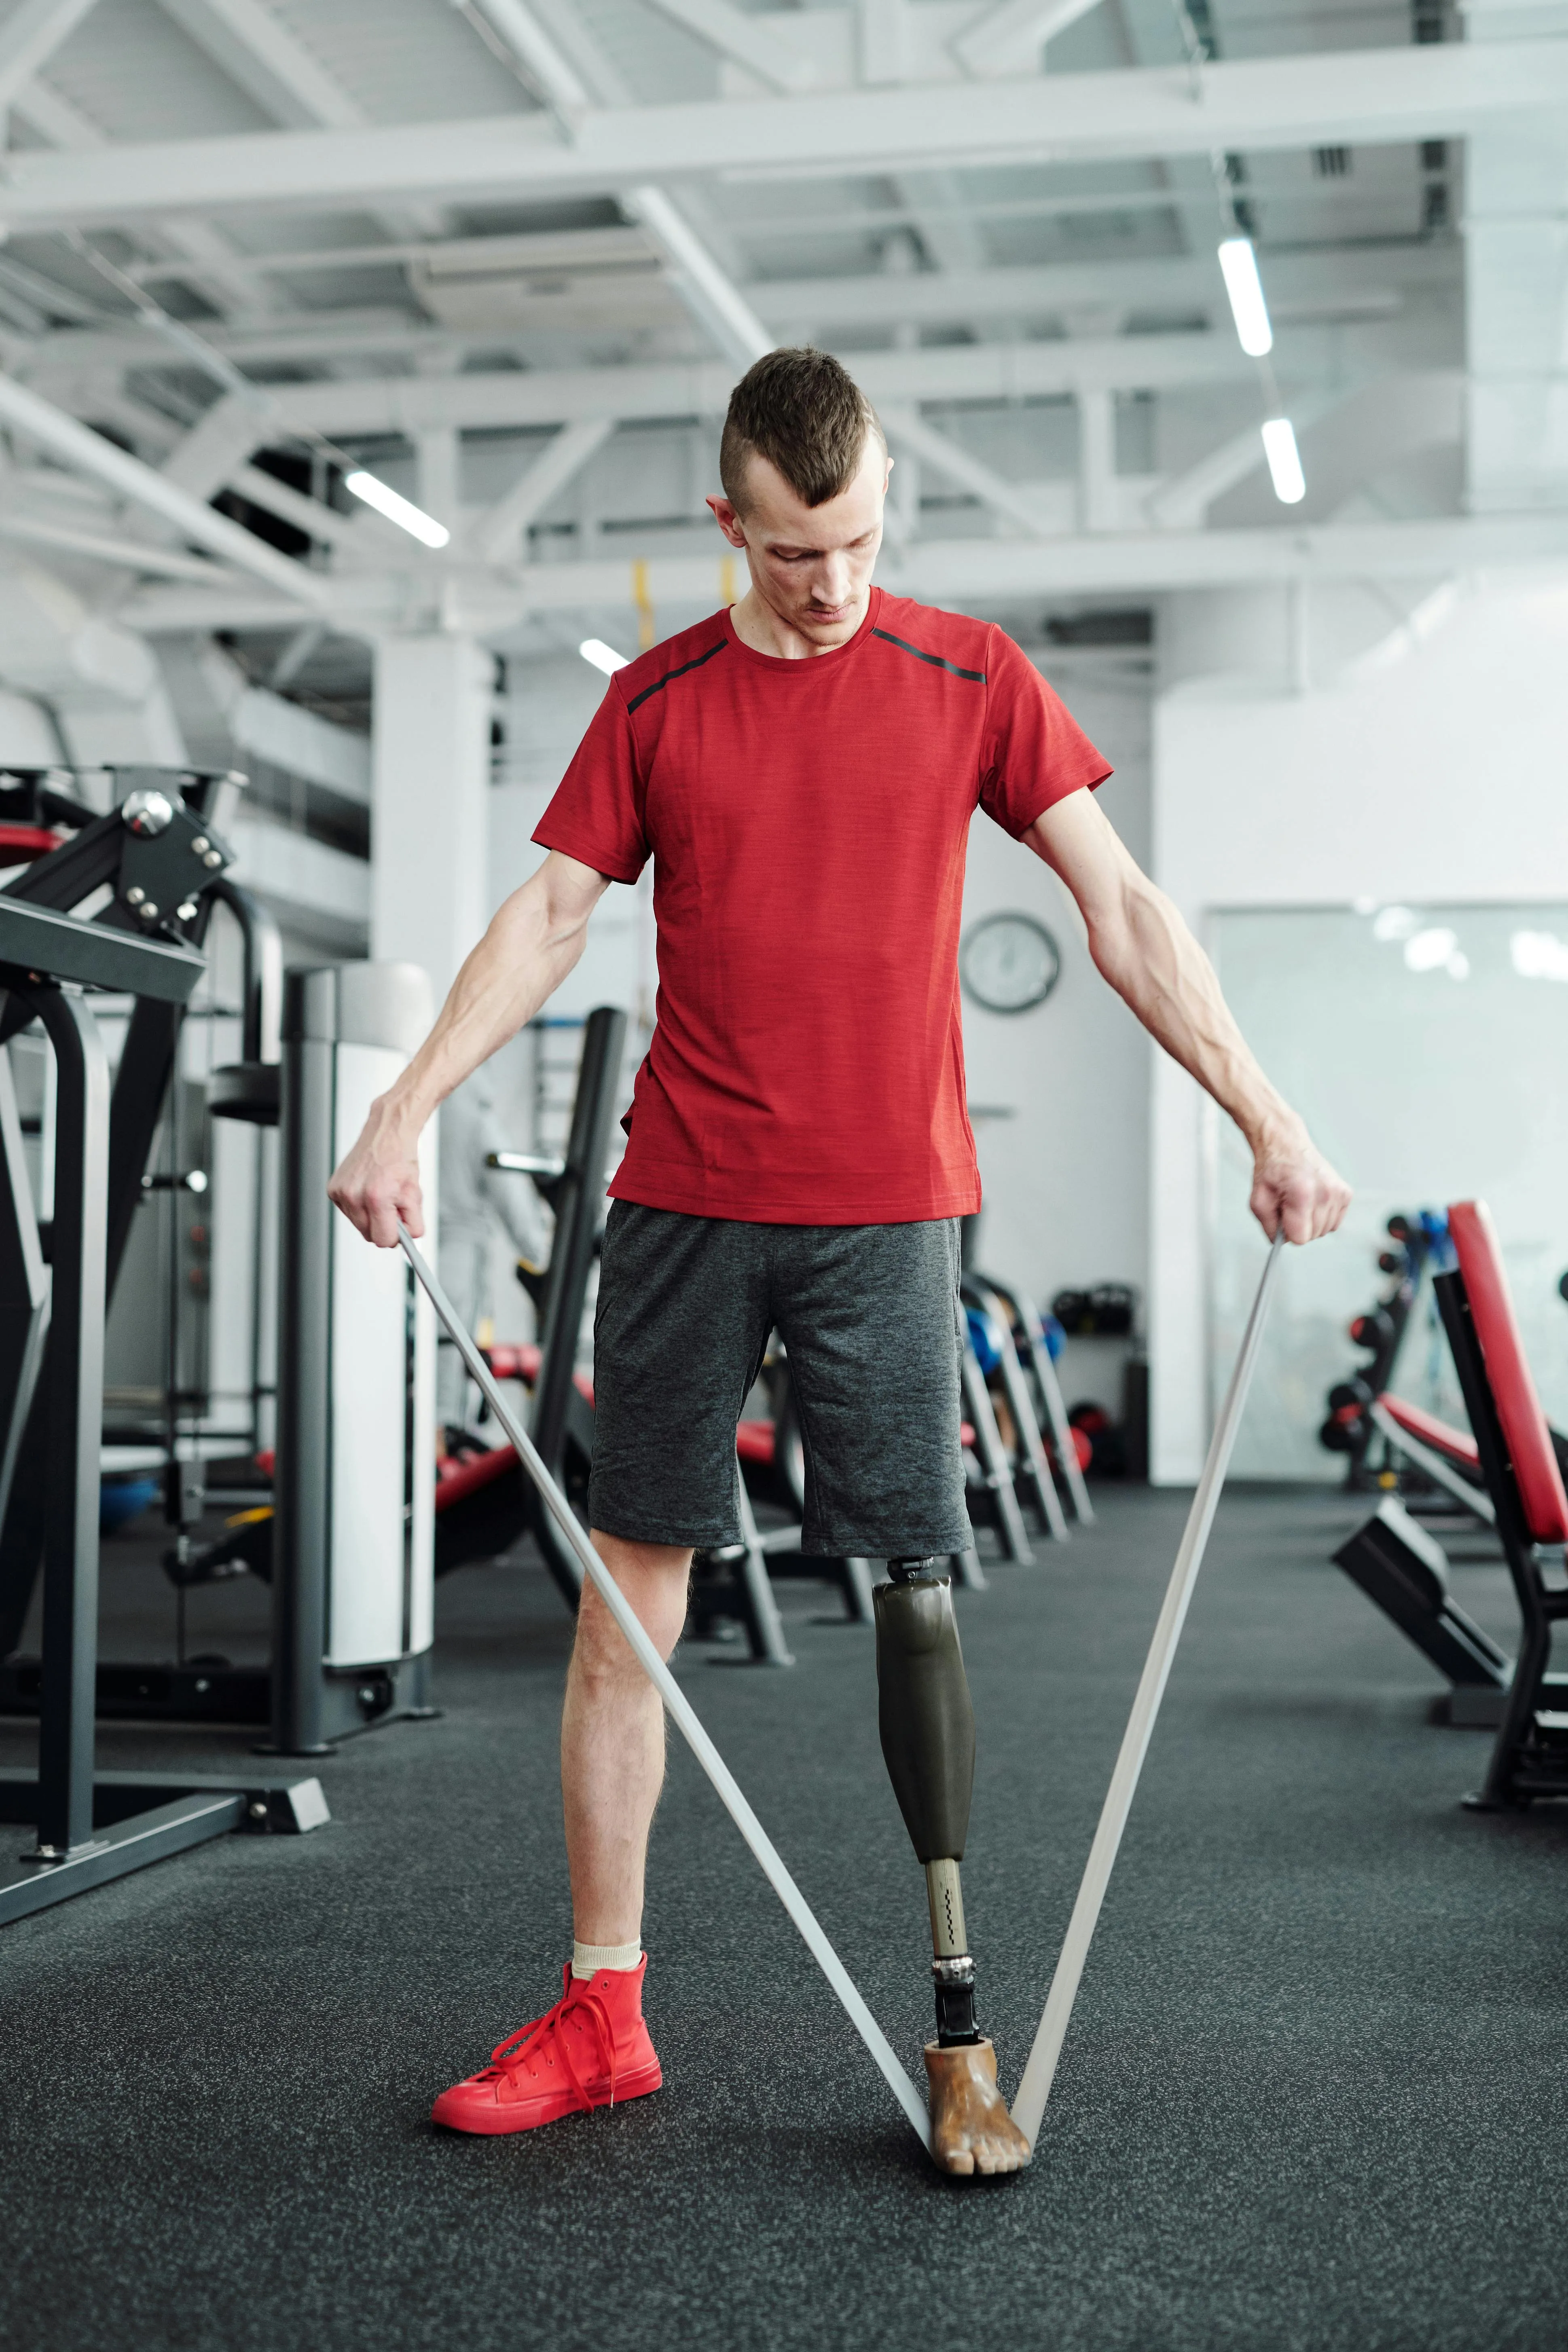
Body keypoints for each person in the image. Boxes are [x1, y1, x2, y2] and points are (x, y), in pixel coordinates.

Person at [328, 347, 1350, 2174]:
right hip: (685, 1203)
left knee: (917, 1590)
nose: (837, 579)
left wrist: (1268, 1115)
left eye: (864, 538)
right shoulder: (658, 699)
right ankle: (604, 2008)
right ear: (732, 522)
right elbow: (553, 910)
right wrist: (406, 1105)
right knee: (623, 1594)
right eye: (800, 552)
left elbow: (1118, 909)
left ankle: (960, 2029)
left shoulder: (972, 675)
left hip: (891, 1210)